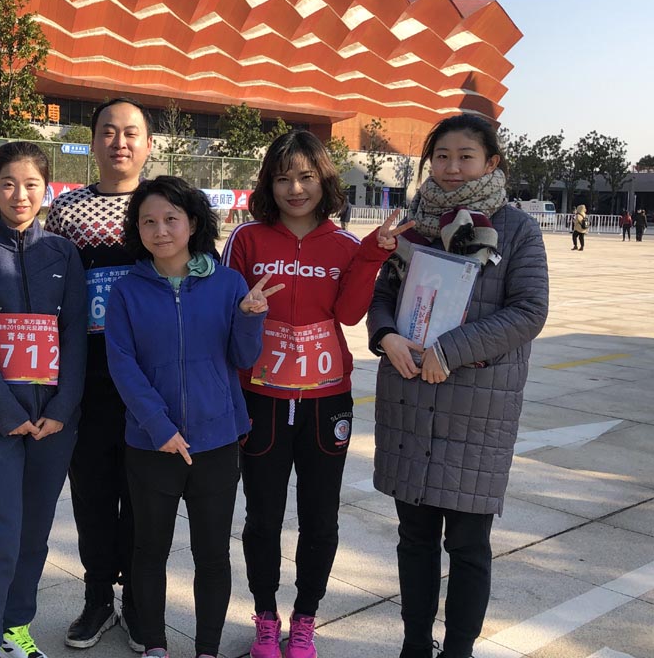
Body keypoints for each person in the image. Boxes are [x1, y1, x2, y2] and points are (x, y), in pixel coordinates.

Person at [366, 114, 549, 658]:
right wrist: (386, 336)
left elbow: (529, 311)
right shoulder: (412, 226)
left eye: (465, 156)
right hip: (411, 399)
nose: (451, 167)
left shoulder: (516, 230)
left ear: (491, 163)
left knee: (468, 545)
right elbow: (383, 295)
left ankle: (459, 650)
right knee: (414, 538)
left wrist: (451, 350)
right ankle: (415, 645)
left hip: (477, 409)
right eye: (441, 156)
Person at [221, 130, 409, 658]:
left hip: (327, 401)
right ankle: (265, 617)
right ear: (269, 184)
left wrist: (371, 257)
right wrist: (244, 312)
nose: (295, 189)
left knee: (320, 517)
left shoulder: (345, 246)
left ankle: (305, 619)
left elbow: (348, 314)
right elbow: (224, 308)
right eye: (283, 178)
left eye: (306, 177)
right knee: (262, 516)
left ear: (324, 181)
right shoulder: (247, 239)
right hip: (261, 398)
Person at [106, 176, 269, 658]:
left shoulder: (228, 283)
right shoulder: (127, 291)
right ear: (137, 229)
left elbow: (243, 358)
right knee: (148, 551)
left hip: (216, 441)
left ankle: (207, 649)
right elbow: (122, 364)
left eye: (171, 219)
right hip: (151, 444)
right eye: (148, 222)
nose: (160, 231)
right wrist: (159, 426)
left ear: (193, 223)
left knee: (212, 554)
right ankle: (154, 645)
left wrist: (251, 317)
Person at [0, 141, 87, 658]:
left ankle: (15, 628)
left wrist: (61, 410)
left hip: (54, 421)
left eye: (31, 184)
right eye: (8, 183)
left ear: (47, 189)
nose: (20, 194)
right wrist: (4, 412)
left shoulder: (63, 253)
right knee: (0, 535)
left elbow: (74, 336)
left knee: (34, 535)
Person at [44, 98, 153, 650]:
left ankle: (136, 600)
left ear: (149, 144)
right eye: (108, 132)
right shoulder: (67, 210)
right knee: (90, 492)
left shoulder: (165, 203)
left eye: (131, 132)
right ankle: (97, 599)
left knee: (141, 494)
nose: (119, 142)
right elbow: (51, 287)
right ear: (93, 142)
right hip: (86, 378)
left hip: (148, 381)